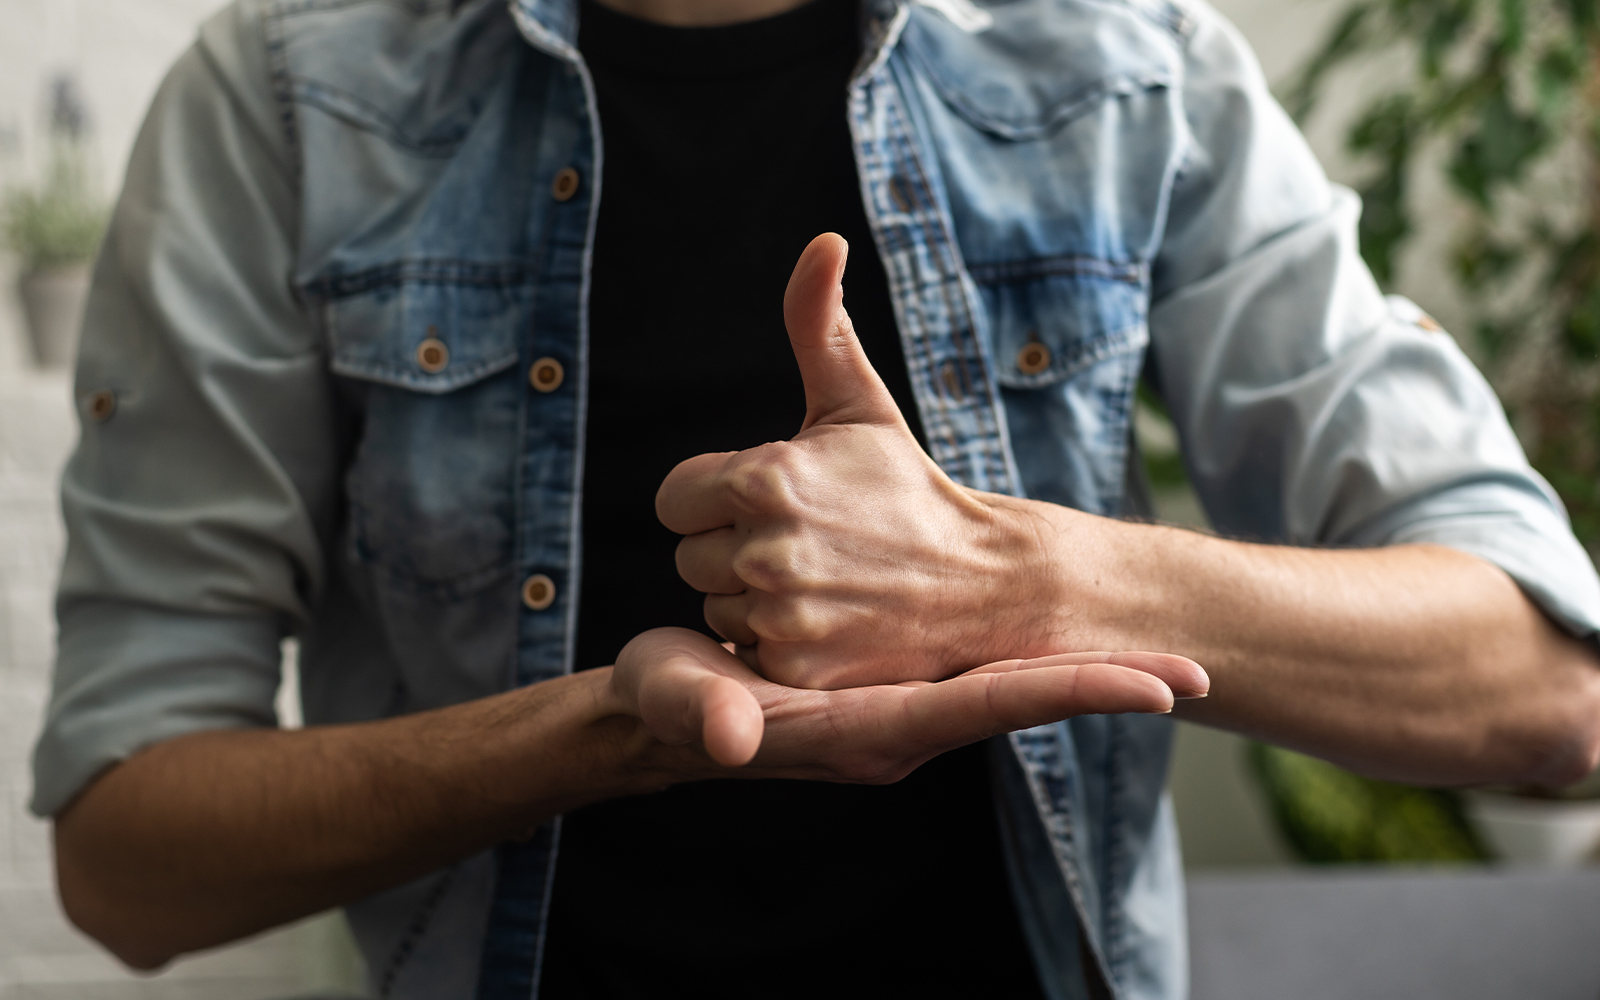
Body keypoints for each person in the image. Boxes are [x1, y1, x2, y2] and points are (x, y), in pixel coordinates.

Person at [30, 0, 1600, 995]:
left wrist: (1012, 578)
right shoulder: (290, 99)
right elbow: (129, 858)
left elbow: (1548, 692)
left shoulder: (1132, 67)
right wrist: (601, 733)